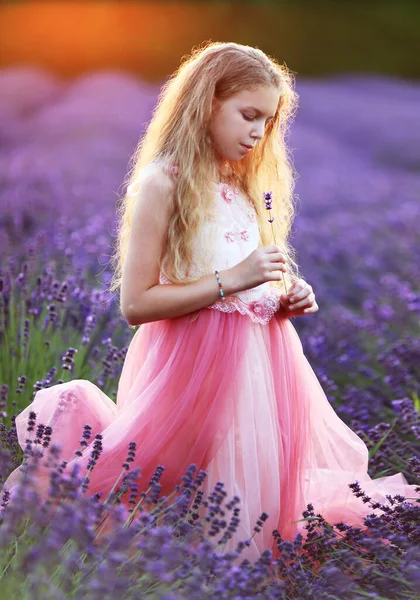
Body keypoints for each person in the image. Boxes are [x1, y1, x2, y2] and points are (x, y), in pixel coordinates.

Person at [2, 42, 419, 562]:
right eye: (248, 115)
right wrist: (235, 278)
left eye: (268, 122)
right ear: (205, 102)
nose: (257, 133)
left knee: (256, 505)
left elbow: (248, 289)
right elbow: (136, 303)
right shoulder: (164, 183)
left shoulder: (242, 188)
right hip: (193, 368)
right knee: (174, 485)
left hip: (266, 367)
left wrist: (280, 299)